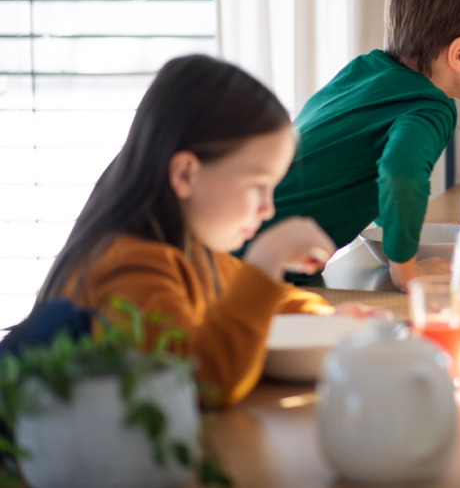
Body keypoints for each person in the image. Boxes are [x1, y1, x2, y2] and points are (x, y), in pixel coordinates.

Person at [35, 54, 346, 408]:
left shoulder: (196, 251)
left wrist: (329, 320)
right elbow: (203, 381)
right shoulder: (127, 266)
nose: (268, 209)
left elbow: (264, 304)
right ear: (185, 174)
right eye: (258, 186)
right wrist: (267, 258)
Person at [266, 0, 460, 291]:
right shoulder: (429, 106)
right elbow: (401, 176)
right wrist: (407, 272)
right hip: (265, 273)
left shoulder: (364, 71)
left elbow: (356, 165)